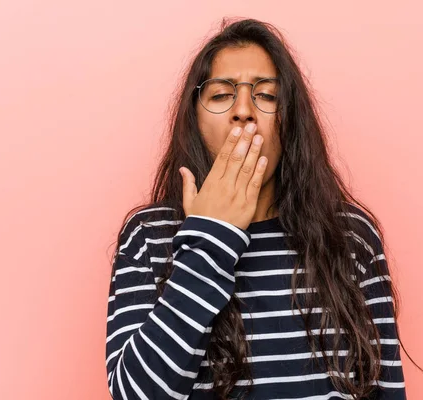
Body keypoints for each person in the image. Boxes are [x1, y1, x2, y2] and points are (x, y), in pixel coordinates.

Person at [106, 18, 407, 400]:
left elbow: (387, 390)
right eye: (220, 95)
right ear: (194, 120)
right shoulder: (150, 236)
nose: (244, 111)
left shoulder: (351, 235)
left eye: (266, 95)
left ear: (291, 119)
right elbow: (136, 394)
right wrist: (212, 237)